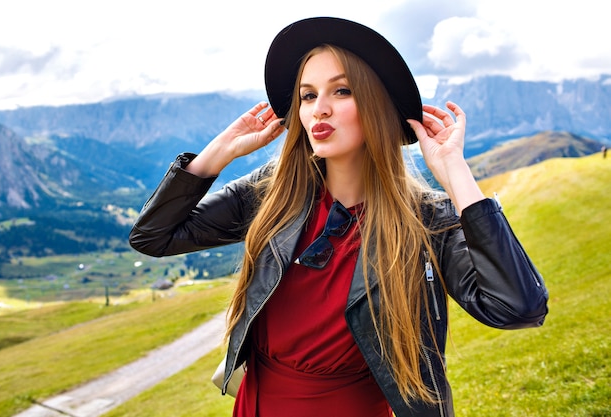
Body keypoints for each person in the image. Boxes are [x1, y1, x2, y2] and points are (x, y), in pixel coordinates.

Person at [129, 17, 548, 417]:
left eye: (341, 91)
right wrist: (218, 153)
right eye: (308, 95)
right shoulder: (271, 193)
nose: (319, 110)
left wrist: (456, 174)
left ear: (377, 105)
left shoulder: (427, 221)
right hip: (258, 404)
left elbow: (519, 308)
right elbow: (153, 237)